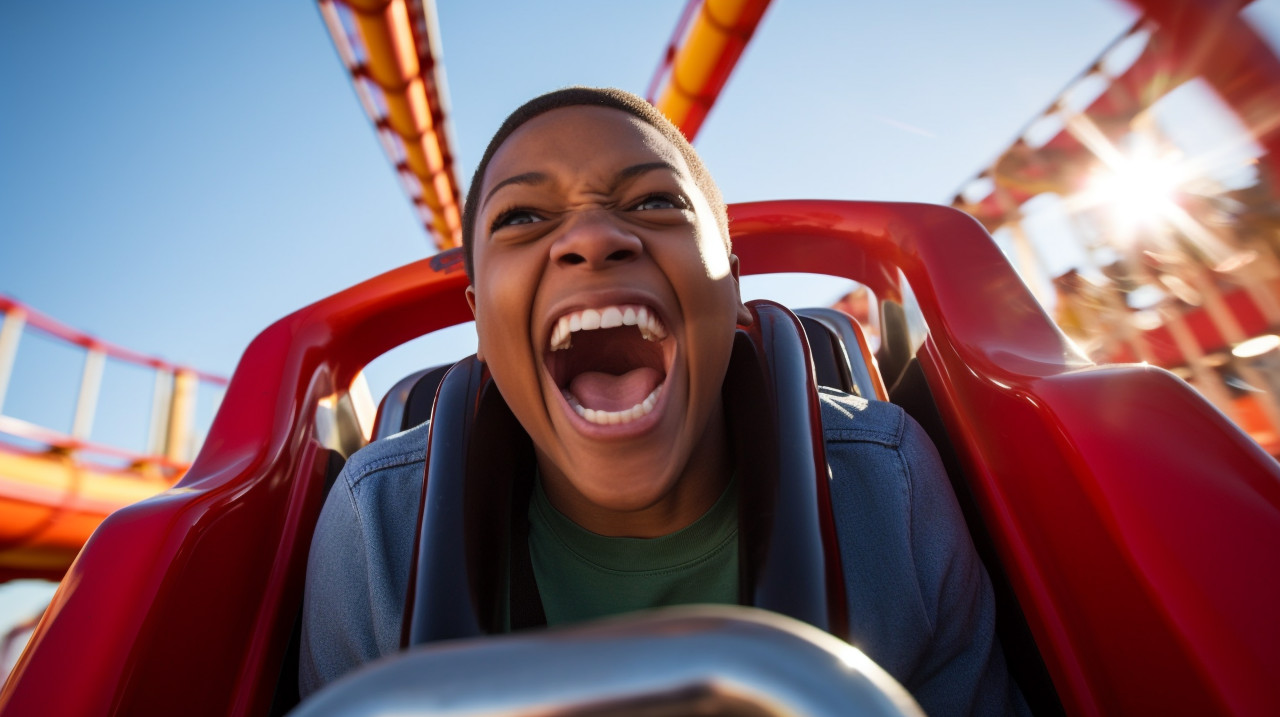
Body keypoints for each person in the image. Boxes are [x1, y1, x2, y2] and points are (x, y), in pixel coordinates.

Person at [299, 86, 1029, 716]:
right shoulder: (374, 534)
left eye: (655, 201)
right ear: (479, 320)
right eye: (521, 217)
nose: (590, 236)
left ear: (732, 283)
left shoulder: (890, 483)